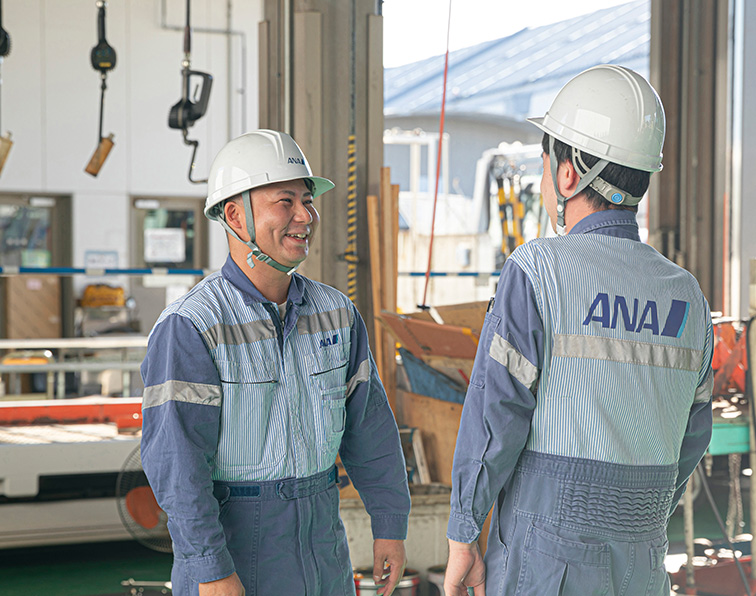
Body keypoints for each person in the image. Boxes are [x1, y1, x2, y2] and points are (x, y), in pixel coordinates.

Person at [444, 65, 714, 595]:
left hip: (545, 559)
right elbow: (693, 436)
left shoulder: (538, 271)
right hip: (644, 559)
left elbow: (496, 416)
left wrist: (462, 535)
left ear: (568, 174)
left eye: (545, 167)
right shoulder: (688, 297)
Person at [141, 130, 411, 596]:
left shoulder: (337, 314)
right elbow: (178, 463)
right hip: (236, 551)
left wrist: (390, 521)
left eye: (307, 200)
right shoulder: (192, 326)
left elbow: (369, 429)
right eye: (285, 201)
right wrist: (210, 568)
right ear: (235, 215)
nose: (306, 215)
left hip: (322, 546)